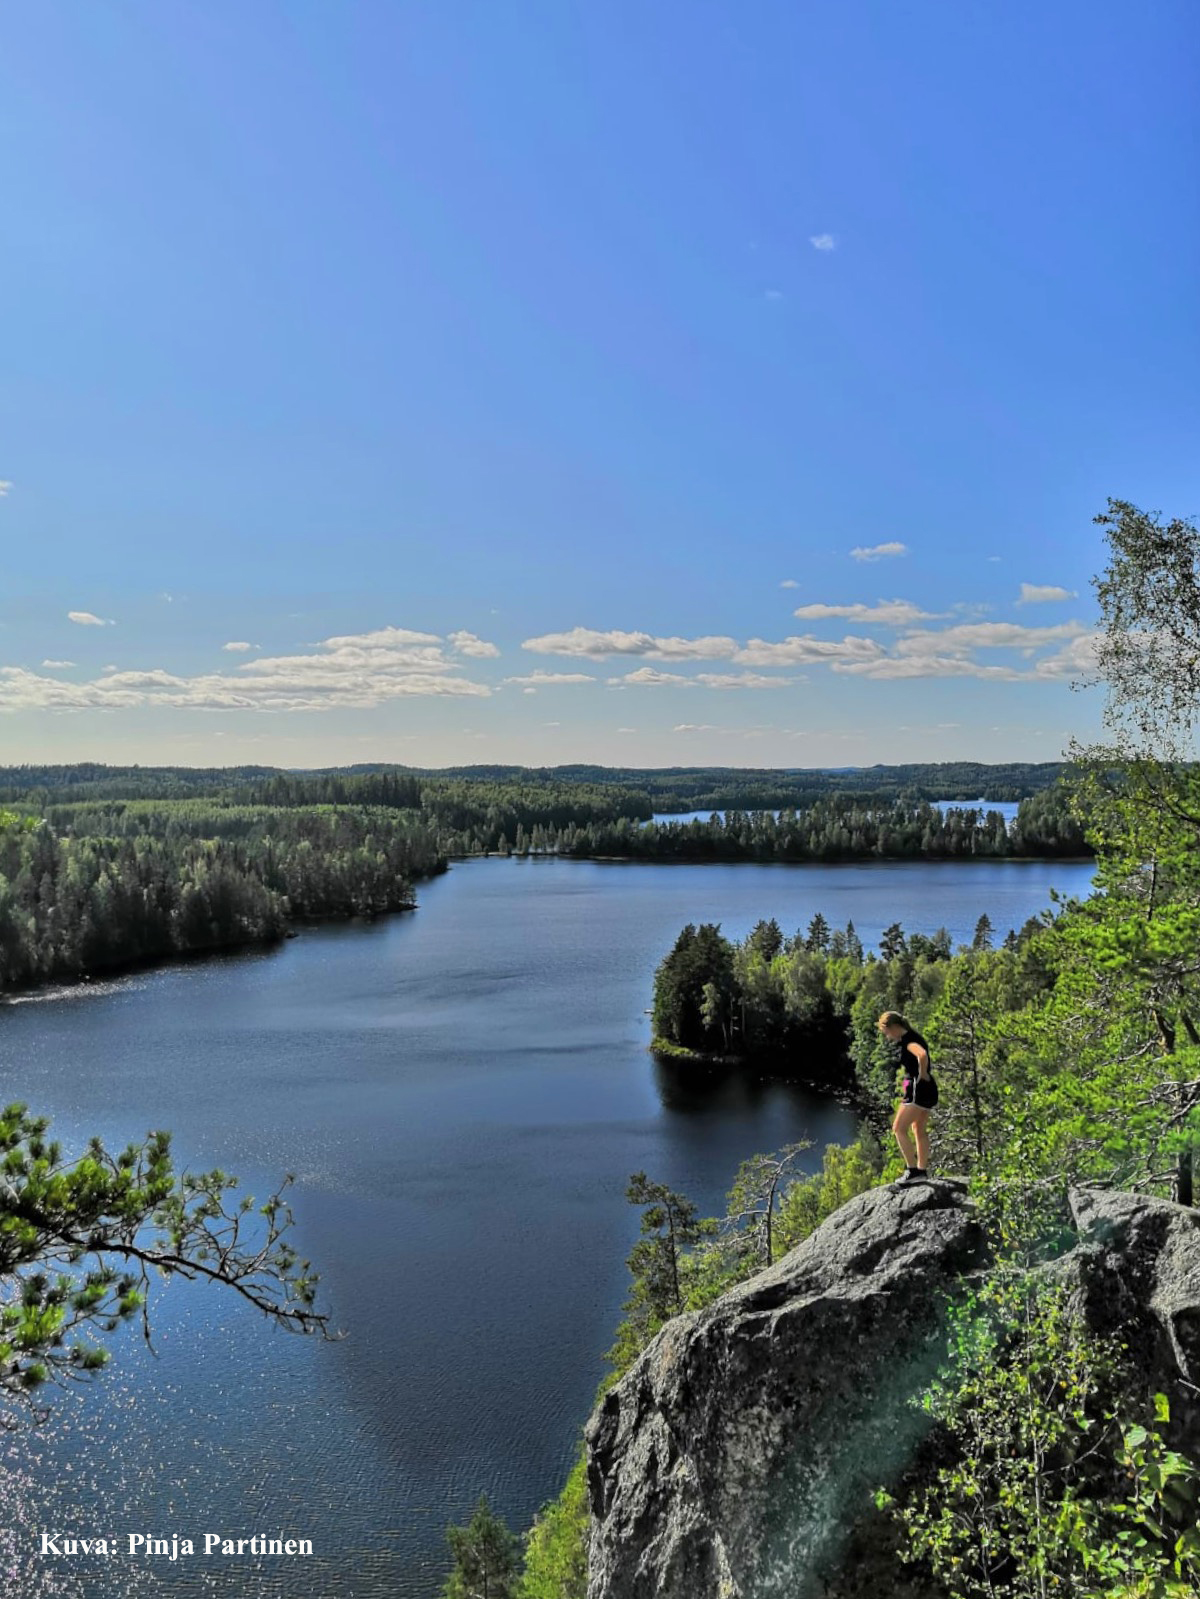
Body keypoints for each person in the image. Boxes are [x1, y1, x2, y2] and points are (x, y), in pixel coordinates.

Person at [878, 1010, 937, 1181]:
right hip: (925, 1089)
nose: (888, 1037)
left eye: (887, 1032)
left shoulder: (909, 1041)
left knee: (898, 1128)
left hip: (919, 1090)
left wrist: (922, 1074)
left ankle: (912, 1171)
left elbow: (922, 1055)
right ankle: (922, 1171)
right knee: (918, 1129)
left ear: (895, 1027)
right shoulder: (912, 1037)